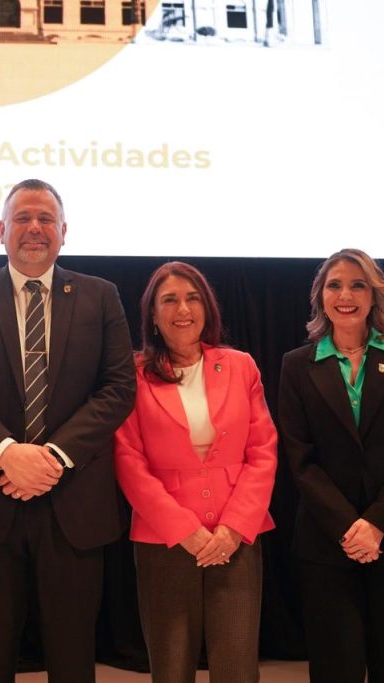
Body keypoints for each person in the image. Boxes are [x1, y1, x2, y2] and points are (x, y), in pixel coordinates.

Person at [0, 179, 136, 683]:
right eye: (23, 217)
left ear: (64, 231)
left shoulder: (100, 296)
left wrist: (52, 458)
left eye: (46, 218)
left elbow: (117, 388)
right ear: (1, 229)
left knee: (72, 660)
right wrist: (7, 453)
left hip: (73, 505)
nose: (35, 228)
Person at [278, 248, 384, 683]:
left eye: (357, 285)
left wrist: (377, 525)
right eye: (334, 285)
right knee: (336, 670)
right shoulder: (296, 366)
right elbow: (301, 460)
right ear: (320, 296)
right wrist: (350, 529)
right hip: (327, 545)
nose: (345, 295)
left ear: (375, 295)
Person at [113, 261, 278, 683]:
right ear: (153, 315)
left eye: (192, 298)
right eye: (169, 300)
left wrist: (233, 528)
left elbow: (262, 451)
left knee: (237, 668)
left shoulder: (241, 366)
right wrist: (184, 530)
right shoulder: (132, 374)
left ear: (207, 308)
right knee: (170, 668)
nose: (183, 309)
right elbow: (129, 461)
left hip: (235, 538)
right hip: (165, 541)